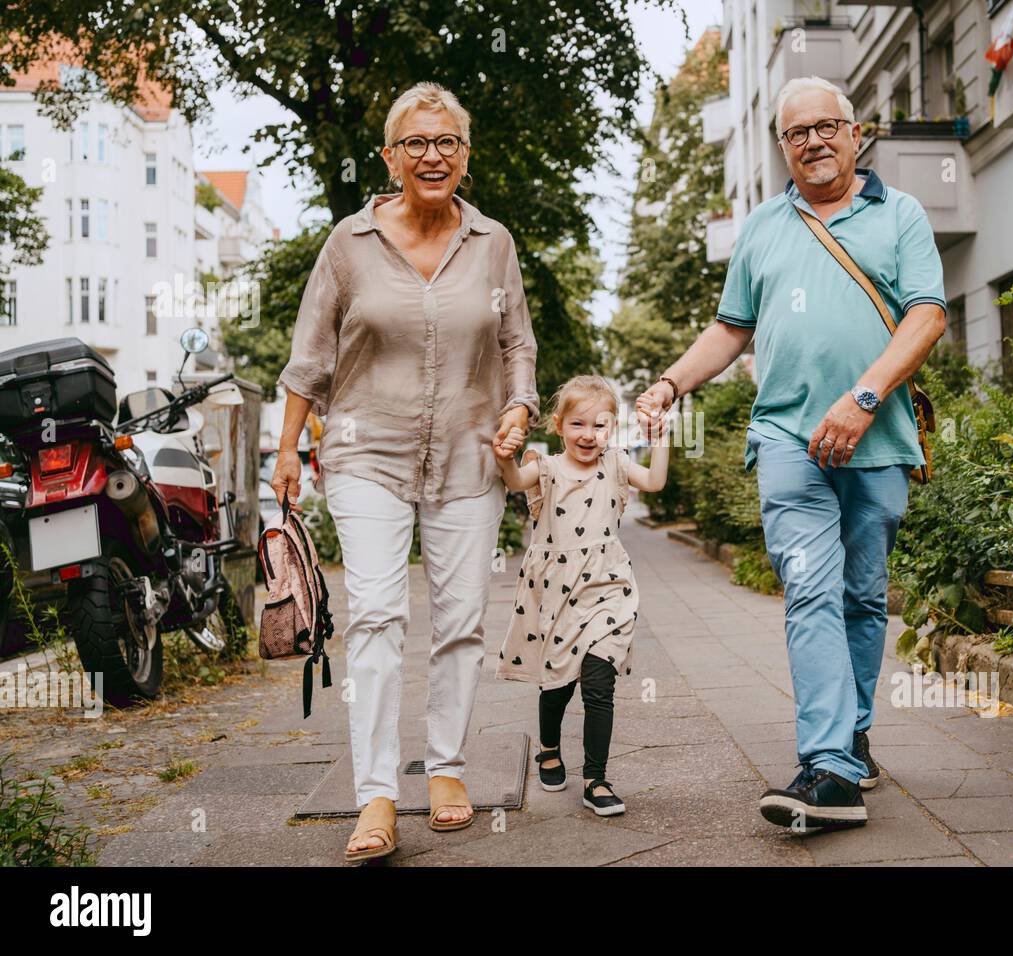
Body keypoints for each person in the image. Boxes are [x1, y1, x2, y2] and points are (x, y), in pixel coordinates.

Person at [635, 75, 947, 829]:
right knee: (809, 591)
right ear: (783, 146)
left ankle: (853, 732)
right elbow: (730, 327)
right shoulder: (765, 227)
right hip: (786, 441)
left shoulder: (899, 214)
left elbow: (927, 315)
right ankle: (829, 766)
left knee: (864, 598)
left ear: (853, 132)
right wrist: (671, 383)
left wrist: (865, 398)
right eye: (795, 132)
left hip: (878, 439)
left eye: (825, 126)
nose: (811, 140)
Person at [271, 81, 539, 862]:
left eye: (447, 142)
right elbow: (309, 359)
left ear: (465, 154)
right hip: (365, 452)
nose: (432, 155)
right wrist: (288, 451)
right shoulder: (348, 245)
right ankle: (377, 794)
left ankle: (449, 768)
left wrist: (520, 405)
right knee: (379, 616)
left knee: (460, 621)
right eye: (416, 143)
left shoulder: (493, 242)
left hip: (468, 452)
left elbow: (516, 341)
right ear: (390, 156)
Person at [494, 375, 669, 817]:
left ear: (611, 428)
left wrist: (662, 439)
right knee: (556, 685)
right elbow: (515, 480)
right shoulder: (547, 468)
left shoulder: (615, 464)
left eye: (600, 425)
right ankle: (549, 749)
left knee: (598, 682)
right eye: (577, 424)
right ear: (558, 425)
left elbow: (654, 481)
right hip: (555, 592)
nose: (588, 435)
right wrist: (504, 457)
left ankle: (596, 779)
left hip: (609, 588)